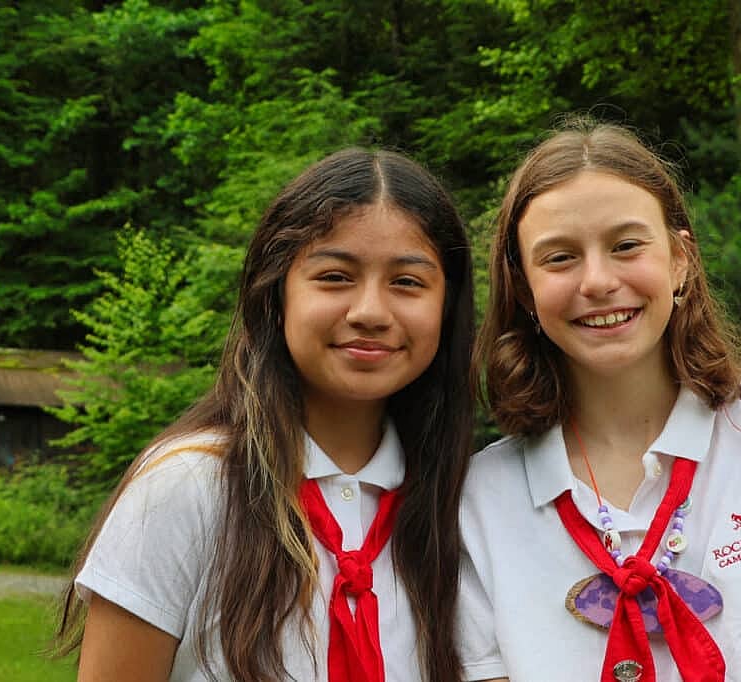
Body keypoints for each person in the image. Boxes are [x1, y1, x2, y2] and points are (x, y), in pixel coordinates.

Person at [458, 122, 741, 682]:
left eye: (626, 245)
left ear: (680, 260)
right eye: (560, 257)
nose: (597, 280)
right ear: (523, 289)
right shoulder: (476, 498)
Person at [54, 148, 475, 682]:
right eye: (335, 276)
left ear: (447, 307)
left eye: (407, 282)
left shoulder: (455, 502)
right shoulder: (188, 485)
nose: (370, 311)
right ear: (276, 296)